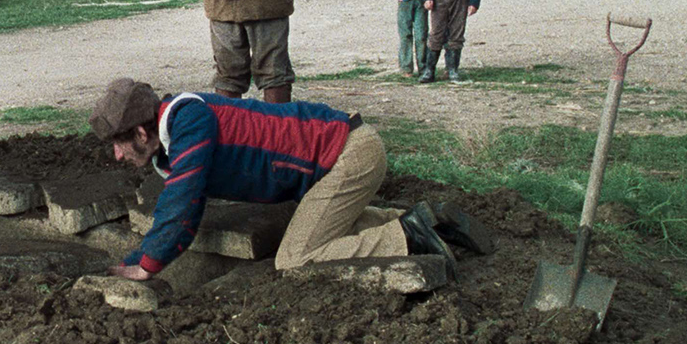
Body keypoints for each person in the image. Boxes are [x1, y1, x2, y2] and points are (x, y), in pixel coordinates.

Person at [89, 78, 490, 280]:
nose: (117, 155)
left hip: (349, 155)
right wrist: (132, 262)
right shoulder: (174, 140)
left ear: (141, 133)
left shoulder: (188, 120)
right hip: (341, 157)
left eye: (119, 144)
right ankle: (423, 218)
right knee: (324, 226)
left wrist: (146, 266)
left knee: (295, 259)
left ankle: (409, 237)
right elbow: (182, 209)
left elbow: (180, 204)